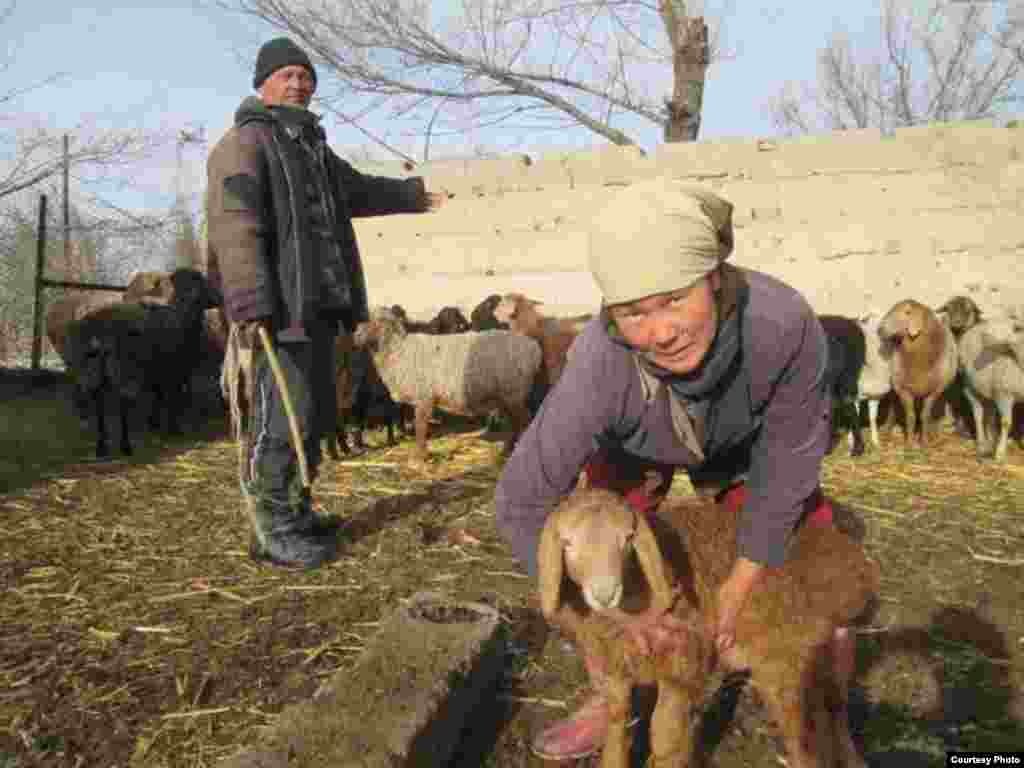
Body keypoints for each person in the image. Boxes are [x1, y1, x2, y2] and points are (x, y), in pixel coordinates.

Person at [494, 176, 849, 761]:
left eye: (675, 300)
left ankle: (824, 712)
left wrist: (739, 585)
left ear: (714, 279)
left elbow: (788, 463)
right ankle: (611, 695)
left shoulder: (781, 325)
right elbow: (522, 499)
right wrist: (602, 617)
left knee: (808, 542)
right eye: (633, 313)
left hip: (745, 442)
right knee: (605, 544)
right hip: (635, 443)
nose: (659, 332)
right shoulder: (601, 362)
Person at [207, 37, 444, 569]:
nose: (298, 84)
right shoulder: (246, 143)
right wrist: (248, 300)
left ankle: (296, 509)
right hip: (276, 312)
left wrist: (412, 196)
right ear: (262, 84)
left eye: (305, 76)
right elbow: (234, 225)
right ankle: (273, 530)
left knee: (311, 416)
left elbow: (355, 190)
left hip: (317, 308)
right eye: (286, 75)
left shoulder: (309, 146)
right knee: (279, 418)